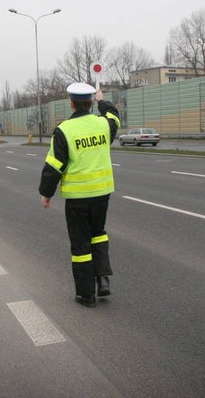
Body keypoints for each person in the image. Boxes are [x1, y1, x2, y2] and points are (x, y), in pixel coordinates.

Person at [39, 82, 121, 307]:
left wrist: (46, 193)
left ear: (71, 103)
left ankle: (86, 295)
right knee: (99, 234)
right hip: (102, 193)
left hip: (77, 198)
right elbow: (114, 115)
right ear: (91, 102)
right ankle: (103, 279)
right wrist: (102, 101)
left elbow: (54, 165)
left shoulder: (64, 130)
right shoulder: (103, 124)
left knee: (81, 245)